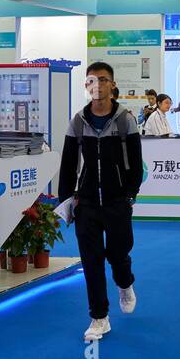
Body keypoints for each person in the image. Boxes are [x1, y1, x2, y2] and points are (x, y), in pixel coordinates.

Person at [58, 62, 143, 341]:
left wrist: (130, 194)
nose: (98, 85)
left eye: (103, 80)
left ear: (112, 85)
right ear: (87, 86)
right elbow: (68, 164)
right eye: (92, 80)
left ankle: (124, 283)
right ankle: (99, 317)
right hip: (87, 204)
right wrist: (67, 199)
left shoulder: (124, 119)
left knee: (119, 254)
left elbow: (135, 161)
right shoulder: (78, 121)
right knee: (91, 261)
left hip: (118, 201)